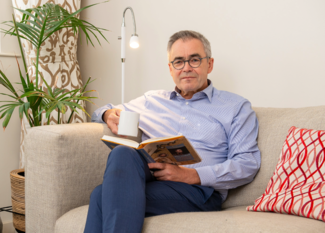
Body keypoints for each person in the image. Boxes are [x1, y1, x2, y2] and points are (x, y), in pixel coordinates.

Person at [84, 30, 261, 233]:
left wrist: (193, 175)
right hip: (154, 179)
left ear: (209, 64)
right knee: (122, 152)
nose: (186, 68)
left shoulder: (236, 107)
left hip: (200, 192)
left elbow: (247, 163)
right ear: (170, 68)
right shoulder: (152, 100)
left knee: (101, 195)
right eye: (178, 61)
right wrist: (107, 114)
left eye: (194, 60)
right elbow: (100, 111)